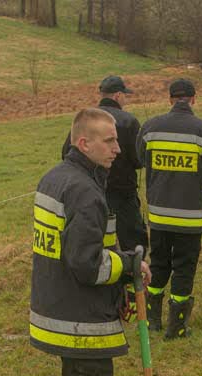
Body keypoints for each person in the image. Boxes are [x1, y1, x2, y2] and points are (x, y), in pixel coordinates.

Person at [32, 107, 151, 376]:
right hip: (79, 321)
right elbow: (84, 264)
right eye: (110, 141)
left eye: (117, 139)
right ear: (84, 142)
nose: (119, 149)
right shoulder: (84, 191)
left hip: (58, 309)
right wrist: (128, 266)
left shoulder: (57, 176)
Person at [136, 78, 202, 338]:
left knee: (160, 263)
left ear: (170, 99)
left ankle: (153, 320)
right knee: (185, 268)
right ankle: (176, 326)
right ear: (194, 99)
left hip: (159, 215)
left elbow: (140, 159)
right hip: (190, 217)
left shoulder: (150, 128)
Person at [61, 75, 145, 251]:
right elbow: (138, 160)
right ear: (117, 96)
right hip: (123, 192)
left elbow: (66, 152)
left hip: (91, 188)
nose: (126, 100)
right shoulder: (129, 121)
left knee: (96, 235)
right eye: (125, 96)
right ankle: (133, 269)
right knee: (132, 238)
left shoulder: (86, 121)